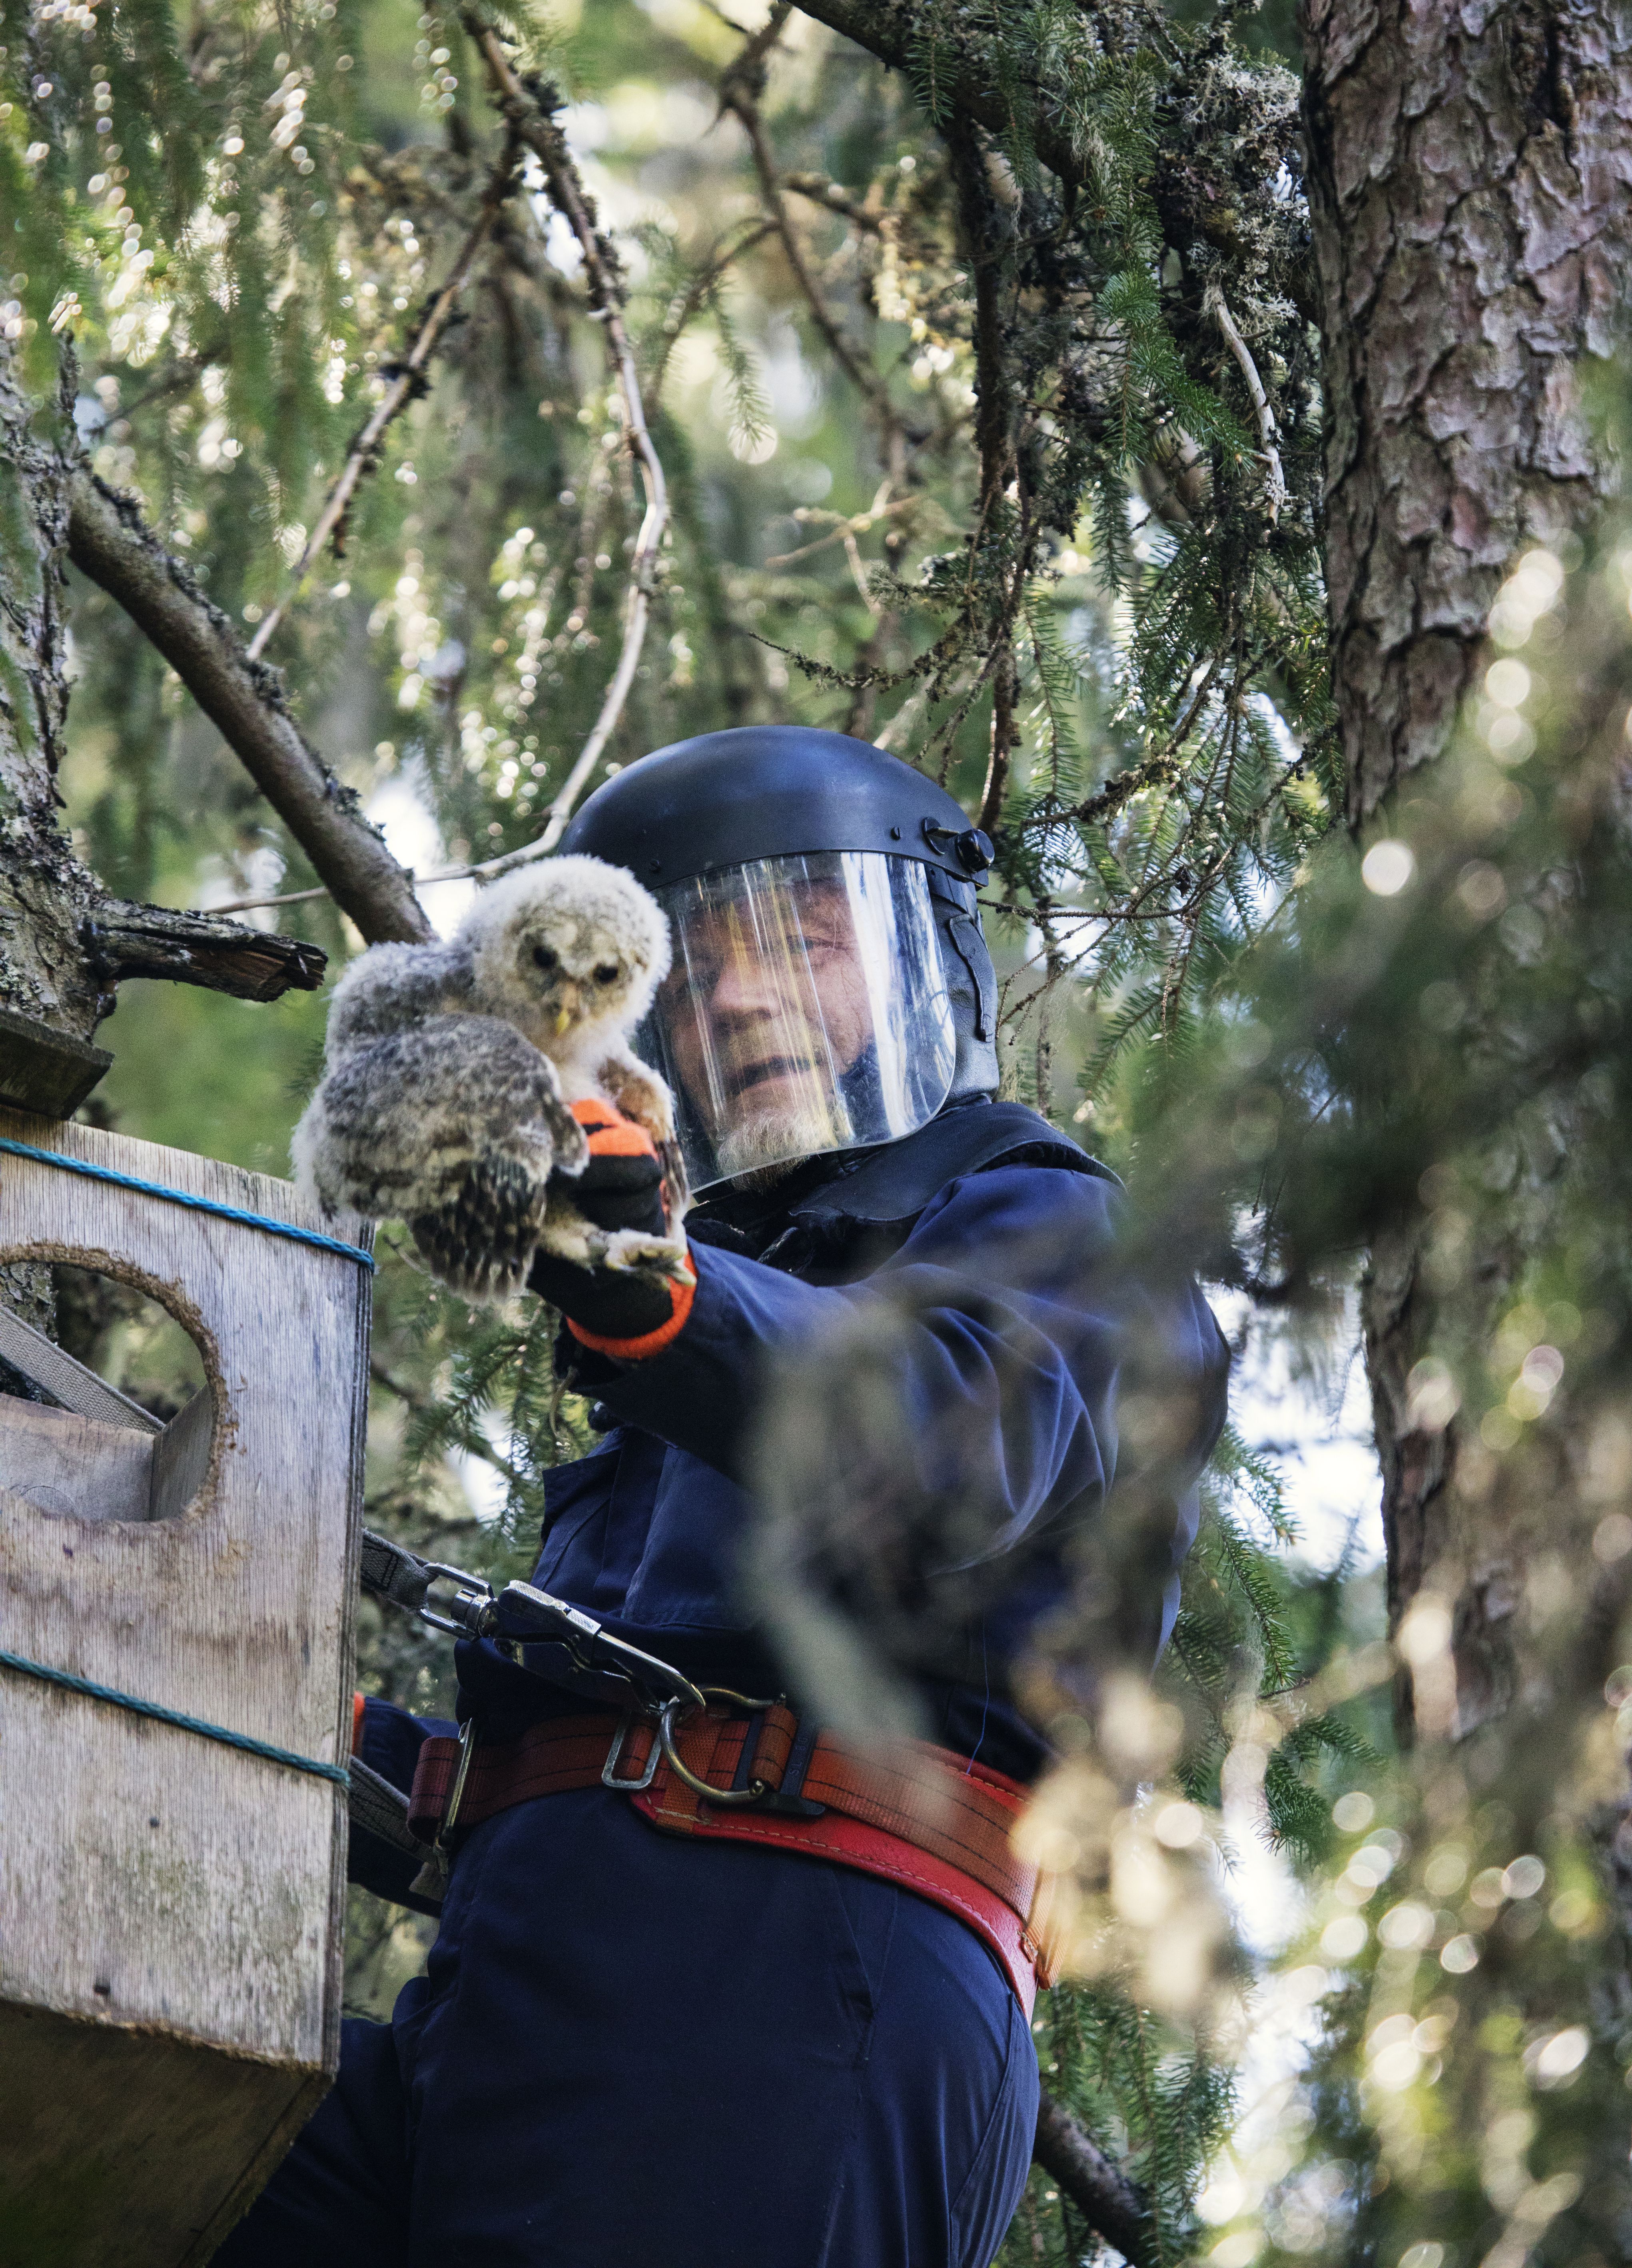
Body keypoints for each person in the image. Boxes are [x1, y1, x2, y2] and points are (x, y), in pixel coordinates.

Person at [217, 726, 1229, 2268]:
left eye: (802, 934)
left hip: (793, 1993)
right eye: (695, 967)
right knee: (140, 2151)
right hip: (504, 2005)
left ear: (924, 956)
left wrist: (649, 1289)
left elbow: (941, 1446)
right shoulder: (691, 1309)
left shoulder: (1059, 1225)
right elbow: (599, 1743)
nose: (743, 991)